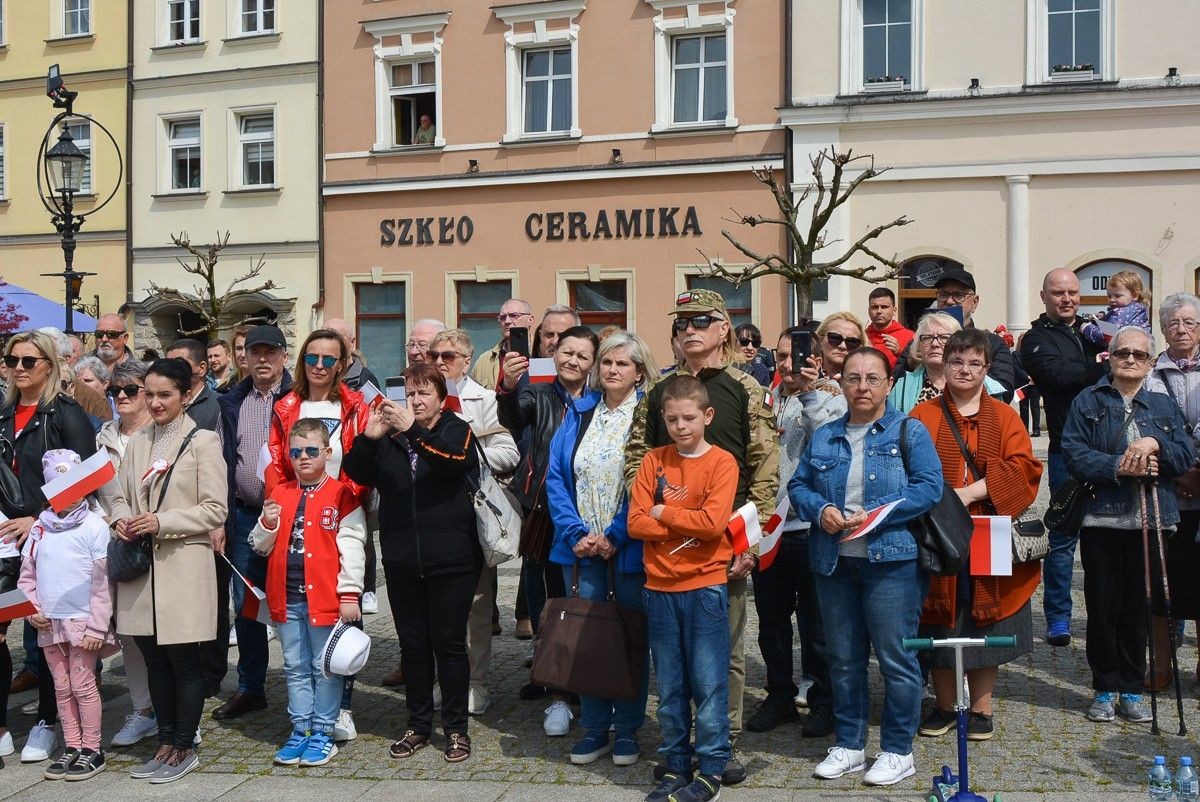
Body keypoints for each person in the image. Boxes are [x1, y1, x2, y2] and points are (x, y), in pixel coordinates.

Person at [625, 288, 779, 786]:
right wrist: (658, 511)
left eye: (701, 321)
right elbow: (637, 460)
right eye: (682, 322)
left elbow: (765, 469)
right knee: (672, 664)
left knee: (725, 656)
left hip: (724, 543)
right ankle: (678, 750)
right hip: (664, 545)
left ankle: (721, 745)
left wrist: (750, 544)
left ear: (723, 329)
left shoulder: (744, 388)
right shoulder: (658, 393)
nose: (689, 329)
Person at [788, 346, 942, 787]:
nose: (862, 386)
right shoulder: (825, 435)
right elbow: (798, 485)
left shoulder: (908, 431)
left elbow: (929, 488)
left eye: (872, 378)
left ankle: (898, 749)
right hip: (834, 562)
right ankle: (851, 745)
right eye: (853, 378)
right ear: (841, 384)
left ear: (889, 385)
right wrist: (820, 511)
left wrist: (875, 513)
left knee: (897, 660)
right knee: (843, 659)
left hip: (892, 562)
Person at [342, 364, 481, 764]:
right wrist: (369, 439)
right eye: (410, 393)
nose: (415, 400)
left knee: (449, 646)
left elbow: (453, 462)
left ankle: (456, 729)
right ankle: (418, 725)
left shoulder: (456, 428)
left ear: (441, 397)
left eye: (424, 393)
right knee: (414, 647)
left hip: (453, 558)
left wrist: (413, 431)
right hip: (402, 559)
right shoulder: (389, 437)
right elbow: (356, 472)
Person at [910, 329, 1042, 742]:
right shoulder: (922, 416)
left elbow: (1023, 468)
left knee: (988, 613)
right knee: (940, 616)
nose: (964, 370)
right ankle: (945, 705)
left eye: (974, 363)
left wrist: (969, 493)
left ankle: (982, 708)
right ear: (942, 367)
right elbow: (909, 468)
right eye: (957, 362)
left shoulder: (1004, 415)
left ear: (987, 369)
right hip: (937, 530)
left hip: (989, 528)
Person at [1061, 326, 1194, 723]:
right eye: (1123, 353)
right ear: (1110, 358)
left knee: (1139, 609)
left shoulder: (1163, 405)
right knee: (1102, 607)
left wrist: (1155, 444)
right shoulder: (1089, 400)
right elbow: (1073, 451)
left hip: (1153, 521)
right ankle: (1104, 688)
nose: (1131, 360)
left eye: (1139, 355)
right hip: (1102, 518)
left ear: (1151, 363)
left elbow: (1184, 456)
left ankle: (1133, 688)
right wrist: (1118, 464)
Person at [108, 357, 228, 783]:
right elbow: (117, 495)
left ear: (184, 396)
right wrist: (119, 519)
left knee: (184, 661)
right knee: (154, 660)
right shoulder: (138, 442)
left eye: (165, 395)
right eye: (150, 394)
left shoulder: (203, 441)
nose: (155, 403)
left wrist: (163, 521)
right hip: (142, 569)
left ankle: (184, 744)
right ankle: (165, 739)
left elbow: (215, 509)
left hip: (182, 566)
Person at [545, 331, 657, 767]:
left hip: (625, 549)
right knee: (587, 639)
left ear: (639, 372)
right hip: (582, 551)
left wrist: (615, 534)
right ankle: (594, 727)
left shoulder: (647, 419)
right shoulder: (580, 411)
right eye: (606, 363)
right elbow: (556, 475)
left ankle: (627, 728)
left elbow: (647, 483)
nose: (611, 370)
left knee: (630, 638)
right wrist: (576, 532)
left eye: (622, 364)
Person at [628, 374, 738, 802]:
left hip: (705, 586)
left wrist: (661, 509)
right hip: (659, 588)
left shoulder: (722, 463)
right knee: (670, 685)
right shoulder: (653, 461)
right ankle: (676, 763)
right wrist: (674, 515)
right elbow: (636, 523)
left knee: (708, 682)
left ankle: (711, 765)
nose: (681, 427)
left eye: (689, 418)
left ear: (707, 416)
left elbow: (713, 525)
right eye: (672, 419)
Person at [0, 330, 98, 764]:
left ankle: (47, 722)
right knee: (3, 627)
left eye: (29, 361)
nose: (19, 368)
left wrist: (37, 515)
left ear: (49, 365)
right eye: (11, 360)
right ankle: (3, 724)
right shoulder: (2, 413)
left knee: (47, 629)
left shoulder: (65, 411)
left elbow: (84, 478)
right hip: (4, 534)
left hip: (50, 534)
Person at [498, 326, 600, 729]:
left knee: (589, 602)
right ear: (553, 355)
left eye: (582, 355)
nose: (572, 360)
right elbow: (512, 416)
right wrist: (507, 384)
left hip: (591, 513)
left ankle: (588, 683)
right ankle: (556, 688)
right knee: (551, 599)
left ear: (593, 363)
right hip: (543, 510)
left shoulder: (600, 402)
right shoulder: (537, 393)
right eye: (566, 352)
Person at [251, 419, 367, 767]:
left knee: (324, 668)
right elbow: (259, 546)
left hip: (326, 601)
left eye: (311, 451)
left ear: (327, 453)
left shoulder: (342, 494)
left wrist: (350, 594)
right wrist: (267, 522)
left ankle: (323, 731)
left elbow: (353, 548)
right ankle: (300, 729)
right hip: (287, 598)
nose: (303, 457)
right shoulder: (279, 493)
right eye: (296, 451)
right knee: (295, 666)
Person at [745, 326, 834, 738]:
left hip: (809, 527)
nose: (786, 364)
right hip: (769, 528)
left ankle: (821, 698)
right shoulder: (765, 398)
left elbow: (828, 450)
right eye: (780, 356)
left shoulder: (830, 397)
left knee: (816, 624)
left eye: (795, 356)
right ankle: (779, 693)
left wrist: (811, 394)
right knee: (772, 621)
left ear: (815, 359)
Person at [428, 329, 519, 717]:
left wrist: (463, 453)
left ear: (467, 361)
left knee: (477, 607)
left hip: (471, 512)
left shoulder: (484, 400)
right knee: (434, 606)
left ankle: (476, 682)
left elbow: (508, 452)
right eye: (433, 355)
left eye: (448, 356)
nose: (438, 362)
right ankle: (440, 679)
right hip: (429, 514)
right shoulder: (413, 396)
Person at [18, 449, 118, 782]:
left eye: (71, 485)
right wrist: (33, 611)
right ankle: (71, 745)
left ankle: (93, 748)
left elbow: (104, 581)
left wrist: (97, 626)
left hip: (82, 623)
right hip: (51, 623)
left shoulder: (92, 526)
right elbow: (27, 577)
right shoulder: (39, 530)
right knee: (61, 688)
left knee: (84, 685)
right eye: (56, 486)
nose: (65, 493)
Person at [1020, 268, 1108, 646]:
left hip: (1108, 448)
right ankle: (1058, 617)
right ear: (1044, 296)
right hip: (1065, 452)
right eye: (1059, 293)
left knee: (1106, 536)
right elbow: (1058, 375)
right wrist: (1104, 367)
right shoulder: (1036, 339)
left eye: (1073, 292)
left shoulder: (1093, 331)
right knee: (1063, 535)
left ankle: (1105, 613)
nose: (1067, 298)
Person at [214, 326, 292, 719]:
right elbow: (220, 461)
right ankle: (251, 687)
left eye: (270, 352)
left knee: (295, 599)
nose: (262, 359)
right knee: (246, 602)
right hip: (245, 515)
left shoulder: (299, 398)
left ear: (283, 356)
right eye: (254, 352)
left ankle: (302, 685)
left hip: (293, 515)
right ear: (243, 356)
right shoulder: (231, 401)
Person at [93, 360, 161, 749]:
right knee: (131, 635)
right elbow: (93, 492)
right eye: (115, 391)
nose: (122, 396)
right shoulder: (102, 438)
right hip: (115, 542)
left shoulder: (159, 436)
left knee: (165, 634)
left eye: (131, 389)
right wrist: (107, 519)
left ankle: (174, 710)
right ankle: (142, 710)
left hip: (157, 539)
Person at [1145, 293, 1200, 687]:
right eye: (1174, 323)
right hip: (1165, 492)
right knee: (1163, 587)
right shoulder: (1149, 372)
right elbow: (1144, 429)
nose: (1181, 330)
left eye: (1190, 323)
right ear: (1163, 329)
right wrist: (1178, 472)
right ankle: (1162, 666)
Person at [895, 269, 1014, 399]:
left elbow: (1005, 391)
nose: (950, 301)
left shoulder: (992, 343)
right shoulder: (923, 340)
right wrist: (911, 362)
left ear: (974, 302)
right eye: (943, 294)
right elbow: (893, 386)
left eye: (958, 295)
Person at [470, 300, 534, 389]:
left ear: (530, 320)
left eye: (514, 315)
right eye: (502, 317)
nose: (507, 321)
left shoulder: (543, 354)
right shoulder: (484, 361)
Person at [1082, 269, 1152, 347]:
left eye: (1117, 296)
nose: (1112, 299)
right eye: (1109, 296)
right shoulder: (1136, 310)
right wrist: (1103, 318)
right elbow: (1116, 325)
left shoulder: (1123, 312)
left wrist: (1086, 328)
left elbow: (1106, 336)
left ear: (1134, 295)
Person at [165, 340, 221, 432]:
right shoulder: (161, 404)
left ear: (202, 368)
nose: (171, 371)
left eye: (179, 364)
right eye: (167, 365)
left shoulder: (220, 406)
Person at [323, 318, 382, 392]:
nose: (328, 343)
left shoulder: (365, 380)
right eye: (323, 338)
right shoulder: (315, 375)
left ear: (352, 342)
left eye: (335, 337)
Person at [865, 287, 914, 370]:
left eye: (884, 307)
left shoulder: (910, 337)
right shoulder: (861, 336)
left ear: (894, 311)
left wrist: (900, 353)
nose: (879, 311)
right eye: (874, 307)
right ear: (868, 311)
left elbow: (917, 369)